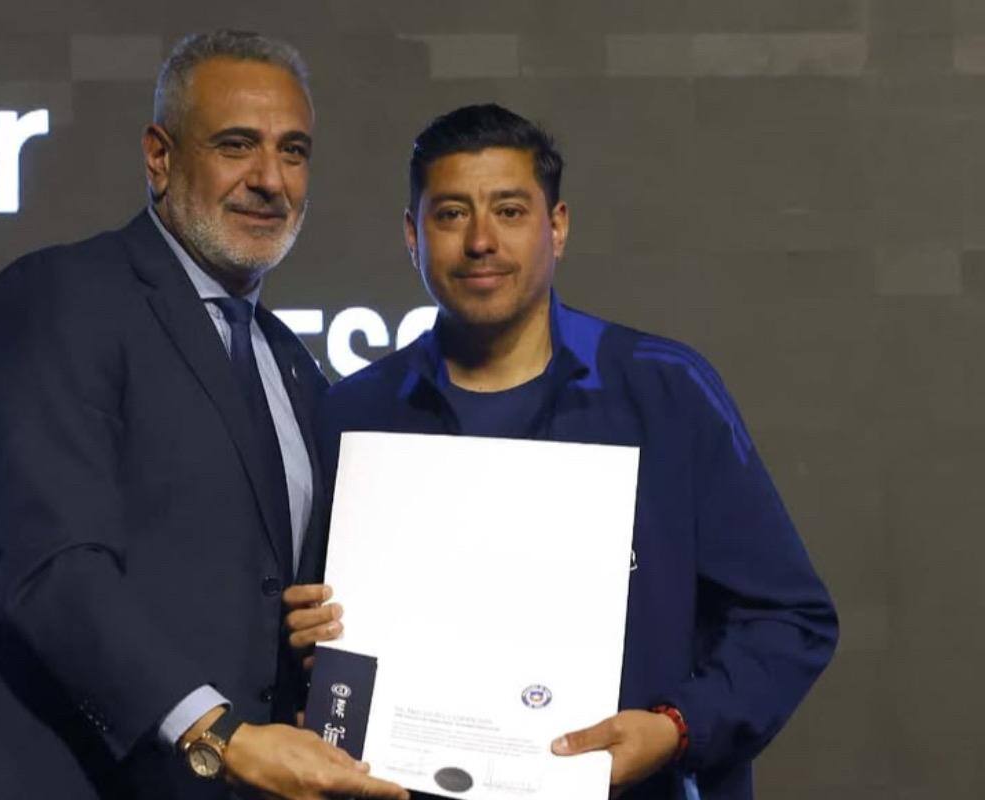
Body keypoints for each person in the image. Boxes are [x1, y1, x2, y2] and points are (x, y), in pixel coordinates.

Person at [0, 30, 408, 800]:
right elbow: (52, 568)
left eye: (294, 151)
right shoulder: (58, 298)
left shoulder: (294, 366)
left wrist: (314, 636)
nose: (270, 178)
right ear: (160, 156)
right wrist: (221, 736)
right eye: (237, 145)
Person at [284, 104, 838, 800]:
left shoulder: (666, 393)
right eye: (451, 214)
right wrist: (313, 640)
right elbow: (317, 660)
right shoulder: (354, 415)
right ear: (412, 236)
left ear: (558, 225)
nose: (481, 240)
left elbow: (789, 620)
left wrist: (675, 729)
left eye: (510, 211)